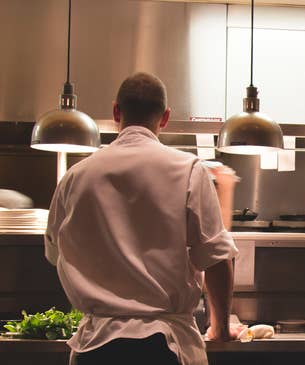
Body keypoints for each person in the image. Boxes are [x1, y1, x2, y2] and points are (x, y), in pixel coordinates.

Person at [44, 72, 239, 365]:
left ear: (115, 112)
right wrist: (220, 330)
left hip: (95, 349)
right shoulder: (188, 169)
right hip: (163, 347)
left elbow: (55, 254)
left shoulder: (75, 177)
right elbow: (217, 258)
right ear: (165, 118)